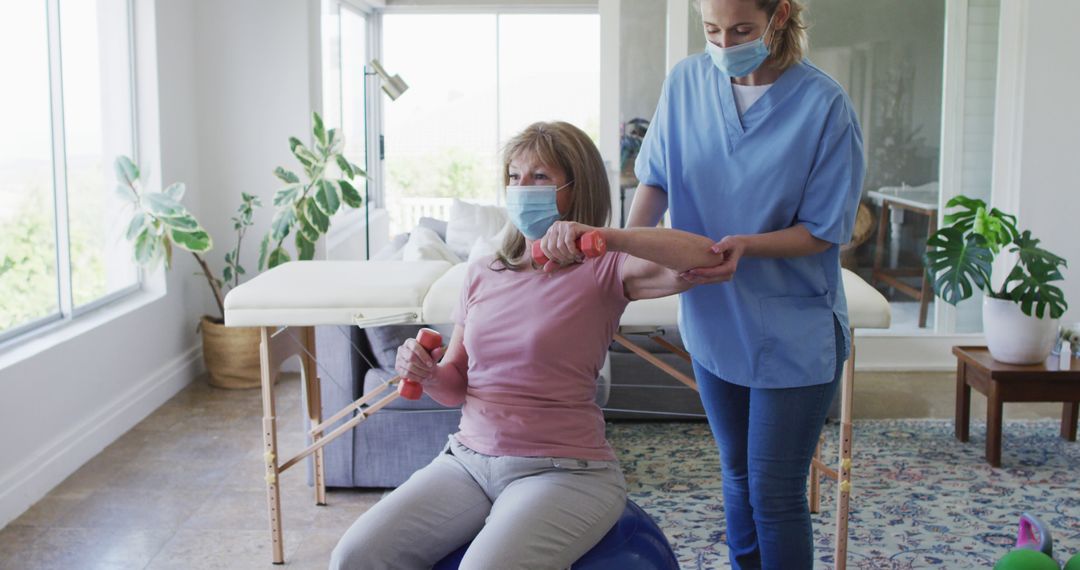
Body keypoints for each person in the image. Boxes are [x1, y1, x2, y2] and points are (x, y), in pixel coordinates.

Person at [329, 121, 729, 570]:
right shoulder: (483, 272)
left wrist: (607, 238)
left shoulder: (604, 270)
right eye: (514, 177)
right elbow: (455, 384)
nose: (523, 188)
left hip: (565, 471)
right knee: (354, 556)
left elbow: (709, 256)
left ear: (577, 188)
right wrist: (426, 372)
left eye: (540, 177)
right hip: (467, 463)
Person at [554, 1, 864, 568]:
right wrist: (618, 255)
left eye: (742, 30)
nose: (725, 45)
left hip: (792, 328)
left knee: (774, 494)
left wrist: (747, 246)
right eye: (712, 31)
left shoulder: (824, 106)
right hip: (713, 317)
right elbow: (657, 180)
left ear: (780, 15)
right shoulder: (686, 83)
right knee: (738, 475)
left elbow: (825, 231)